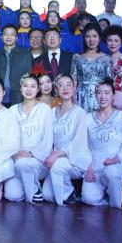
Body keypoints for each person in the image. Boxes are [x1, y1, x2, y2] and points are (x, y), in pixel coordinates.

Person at [82, 79, 122, 208]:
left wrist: (115, 159)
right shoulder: (88, 118)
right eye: (99, 93)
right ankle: (105, 194)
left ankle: (115, 203)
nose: (103, 96)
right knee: (88, 199)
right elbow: (84, 146)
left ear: (113, 95)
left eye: (107, 93)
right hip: (95, 165)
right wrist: (88, 168)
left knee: (112, 172)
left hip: (116, 164)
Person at [42, 74, 90, 205]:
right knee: (47, 195)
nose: (65, 88)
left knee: (58, 166)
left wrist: (57, 154)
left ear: (74, 88)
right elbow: (47, 138)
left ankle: (67, 193)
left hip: (76, 159)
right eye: (61, 85)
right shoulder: (51, 112)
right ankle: (69, 192)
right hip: (56, 159)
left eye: (69, 85)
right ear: (56, 89)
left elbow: (79, 142)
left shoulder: (80, 113)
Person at [6, 74, 54, 204]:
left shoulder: (45, 110)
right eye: (25, 86)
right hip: (16, 158)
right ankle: (28, 184)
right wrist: (14, 152)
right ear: (20, 88)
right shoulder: (12, 110)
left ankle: (34, 190)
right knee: (12, 195)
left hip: (37, 159)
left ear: (38, 89)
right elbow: (7, 137)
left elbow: (47, 139)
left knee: (24, 163)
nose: (28, 89)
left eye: (33, 86)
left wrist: (31, 153)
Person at [70, 23, 114, 114]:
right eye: (88, 36)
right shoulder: (76, 57)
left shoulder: (106, 58)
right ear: (84, 38)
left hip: (100, 96)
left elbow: (110, 82)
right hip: (80, 95)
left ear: (99, 38)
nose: (91, 40)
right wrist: (73, 97)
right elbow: (74, 80)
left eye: (94, 36)